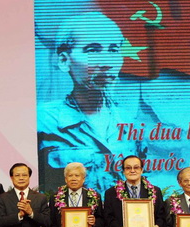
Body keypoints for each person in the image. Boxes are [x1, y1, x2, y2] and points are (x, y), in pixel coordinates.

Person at [37, 12, 141, 193]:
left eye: (114, 50)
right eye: (93, 50)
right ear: (64, 60)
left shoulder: (130, 122)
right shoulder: (43, 120)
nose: (107, 62)